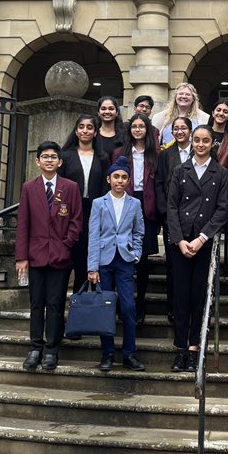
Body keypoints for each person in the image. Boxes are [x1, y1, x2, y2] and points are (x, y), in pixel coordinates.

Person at [167, 124, 228, 372]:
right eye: (197, 140)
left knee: (198, 296)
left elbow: (222, 209)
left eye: (205, 140)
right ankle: (180, 348)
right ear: (191, 142)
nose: (201, 144)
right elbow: (171, 207)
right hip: (181, 241)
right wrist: (180, 240)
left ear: (212, 143)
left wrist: (202, 238)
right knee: (180, 296)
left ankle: (194, 347)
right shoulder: (179, 170)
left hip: (204, 242)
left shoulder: (220, 173)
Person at [15, 140, 82, 372]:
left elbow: (76, 222)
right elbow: (23, 224)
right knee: (36, 304)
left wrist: (66, 245)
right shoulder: (28, 188)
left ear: (60, 161)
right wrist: (21, 257)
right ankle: (35, 347)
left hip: (60, 256)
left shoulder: (70, 187)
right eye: (45, 156)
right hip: (35, 256)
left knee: (55, 304)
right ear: (38, 161)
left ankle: (52, 349)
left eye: (54, 156)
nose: (49, 160)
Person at [87, 156, 146, 372]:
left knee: (129, 307)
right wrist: (92, 267)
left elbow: (139, 231)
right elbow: (94, 235)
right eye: (116, 177)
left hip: (125, 260)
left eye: (124, 177)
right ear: (108, 179)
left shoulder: (134, 203)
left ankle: (130, 354)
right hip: (103, 260)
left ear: (129, 181)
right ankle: (108, 353)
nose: (120, 181)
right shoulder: (98, 203)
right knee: (106, 307)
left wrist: (136, 253)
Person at [113, 111, 160, 325]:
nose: (138, 129)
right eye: (134, 126)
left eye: (142, 126)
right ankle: (123, 304)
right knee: (123, 256)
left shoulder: (156, 154)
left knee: (142, 260)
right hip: (126, 203)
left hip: (148, 205)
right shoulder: (120, 153)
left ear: (147, 129)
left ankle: (140, 303)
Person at [58, 114, 110, 294]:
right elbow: (60, 185)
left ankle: (89, 299)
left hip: (94, 210)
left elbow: (105, 186)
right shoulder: (65, 155)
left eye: (89, 127)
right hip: (71, 211)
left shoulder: (102, 157)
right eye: (81, 127)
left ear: (95, 132)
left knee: (90, 251)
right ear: (76, 130)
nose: (85, 130)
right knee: (73, 252)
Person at [155, 116, 193, 321]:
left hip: (197, 218)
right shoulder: (166, 154)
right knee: (173, 265)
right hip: (172, 217)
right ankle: (173, 308)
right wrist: (165, 212)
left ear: (190, 130)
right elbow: (159, 183)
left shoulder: (200, 151)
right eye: (175, 129)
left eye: (183, 128)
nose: (179, 132)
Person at [95, 95, 124, 161]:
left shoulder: (124, 135)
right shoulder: (92, 134)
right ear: (98, 113)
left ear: (117, 112)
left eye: (111, 109)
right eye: (103, 109)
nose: (107, 112)